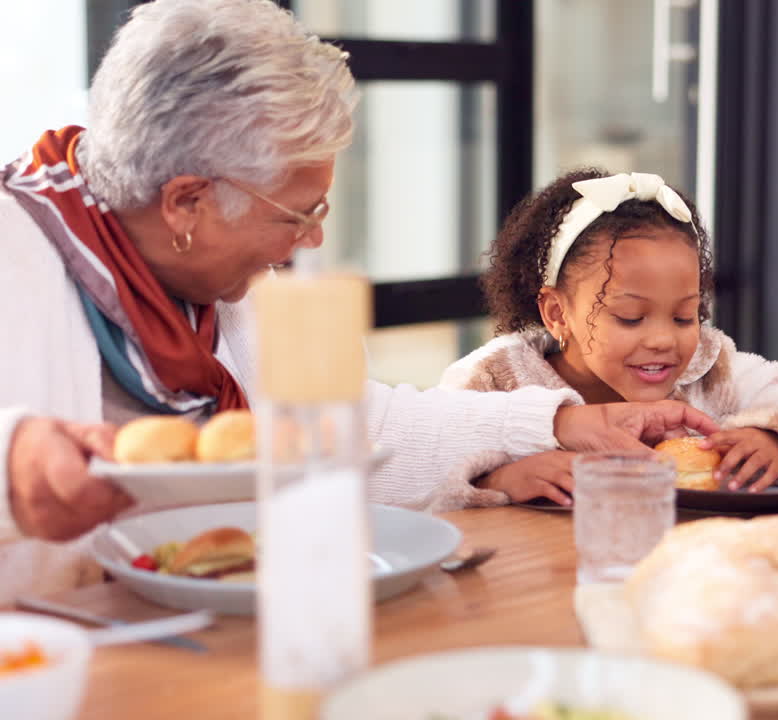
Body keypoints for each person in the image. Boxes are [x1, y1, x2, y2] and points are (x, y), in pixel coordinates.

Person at [0, 0, 716, 603]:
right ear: (187, 202)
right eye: (296, 214)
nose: (310, 240)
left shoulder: (225, 287)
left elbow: (352, 429)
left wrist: (563, 423)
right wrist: (16, 462)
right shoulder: (17, 254)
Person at [436, 169, 778, 507]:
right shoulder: (495, 379)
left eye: (682, 316)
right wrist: (501, 480)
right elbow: (421, 468)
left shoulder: (710, 368)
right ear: (557, 313)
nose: (662, 340)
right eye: (631, 318)